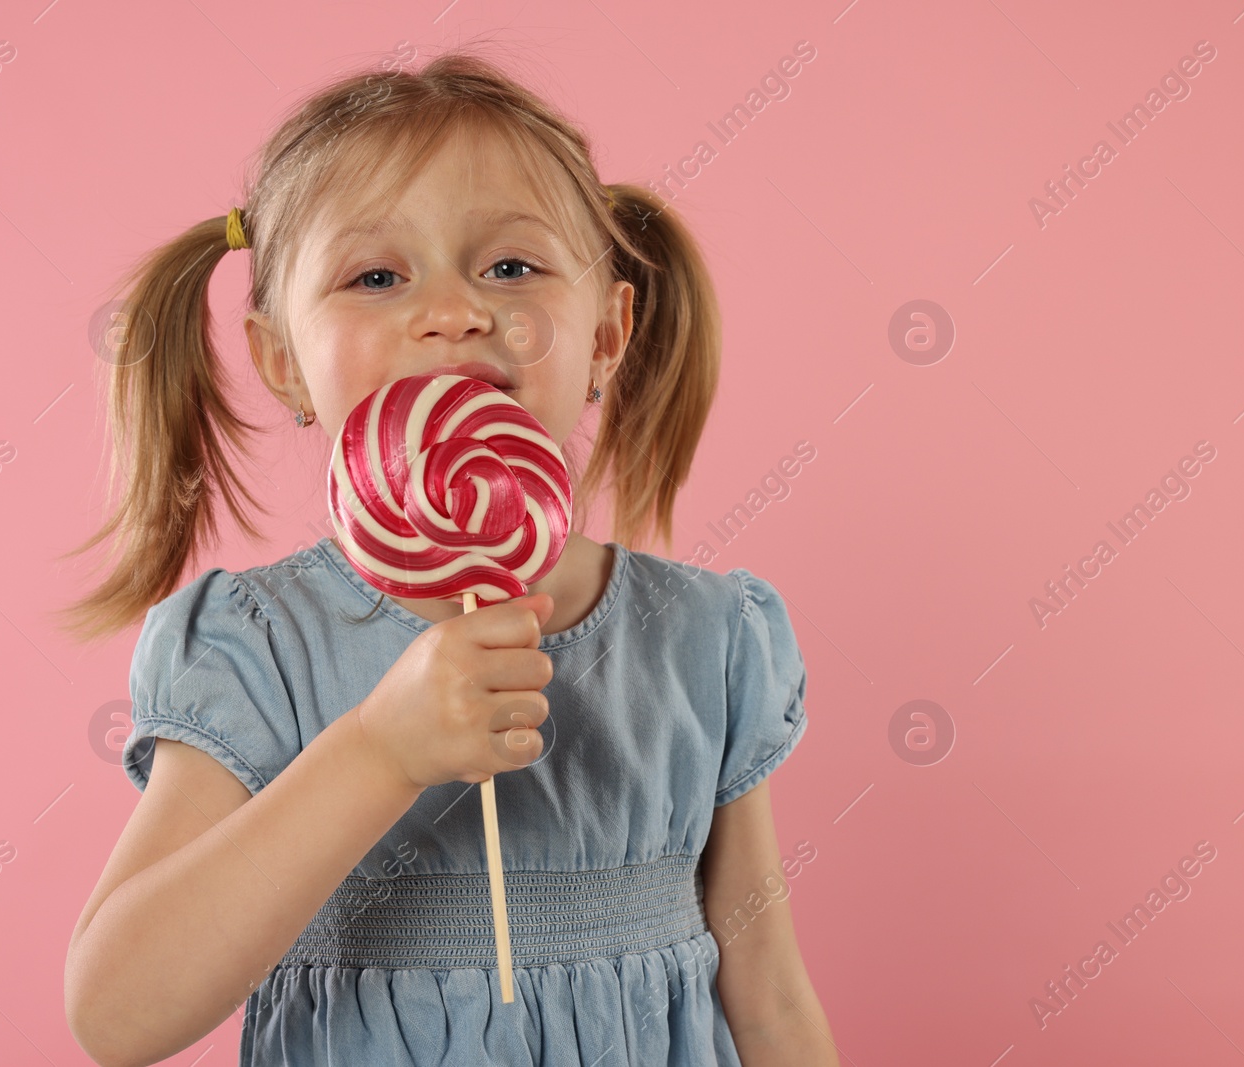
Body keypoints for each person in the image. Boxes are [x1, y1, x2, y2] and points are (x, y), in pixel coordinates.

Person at [60, 47, 832, 1067]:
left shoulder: (705, 636)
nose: (455, 310)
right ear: (283, 360)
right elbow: (115, 1013)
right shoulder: (261, 645)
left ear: (605, 333)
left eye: (511, 266)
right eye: (376, 276)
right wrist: (379, 749)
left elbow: (769, 993)